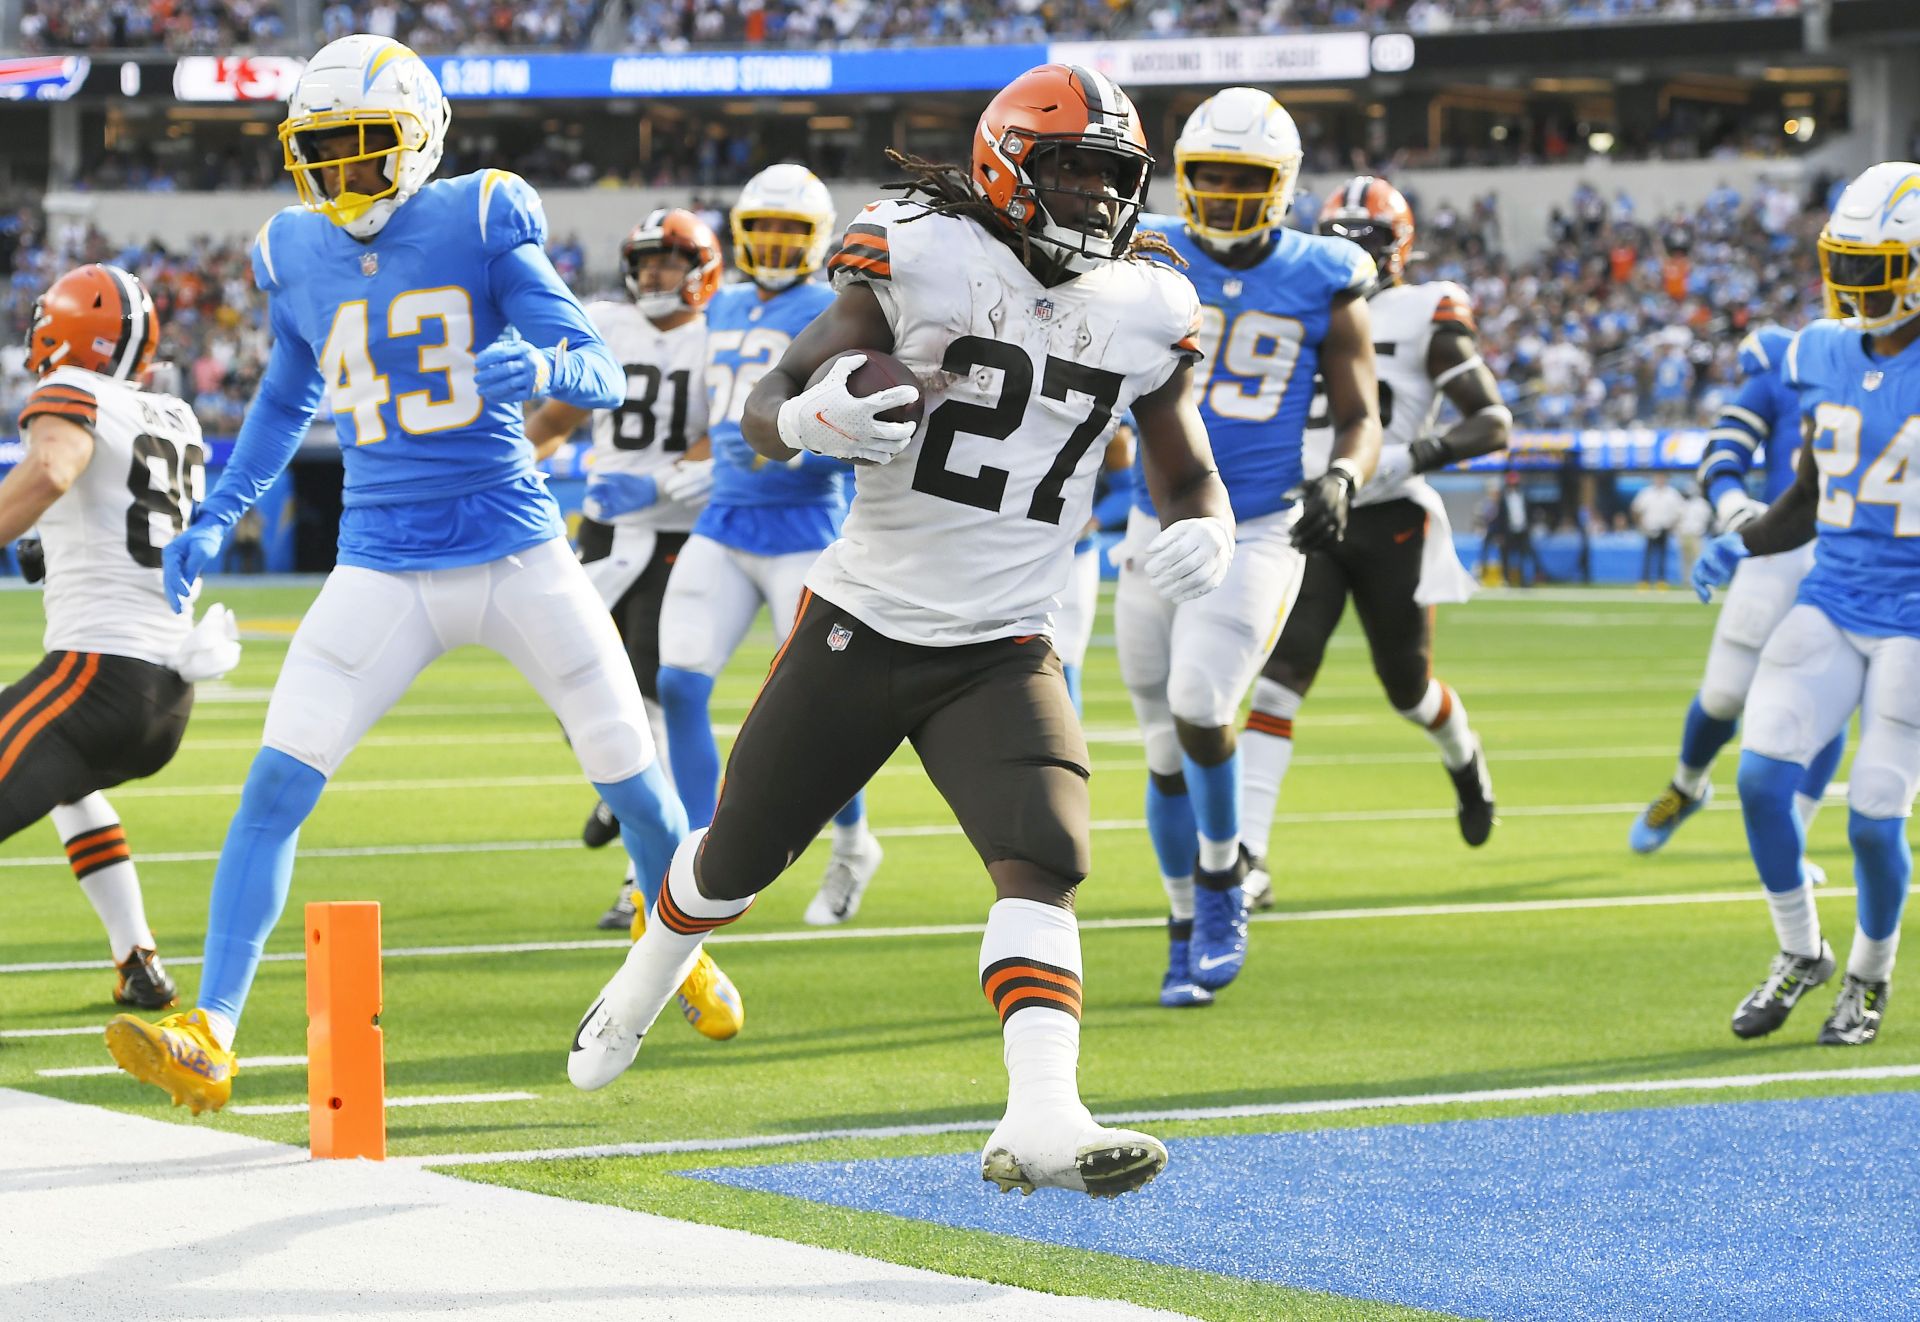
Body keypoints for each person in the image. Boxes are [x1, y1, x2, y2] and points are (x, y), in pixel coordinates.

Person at [567, 63, 1234, 1198]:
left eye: (1113, 181)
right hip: (865, 621)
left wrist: (1206, 531)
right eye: (1072, 174)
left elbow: (1188, 474)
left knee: (1048, 851)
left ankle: (1043, 1114)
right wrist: (810, 414)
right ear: (1009, 165)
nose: (1097, 203)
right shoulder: (921, 247)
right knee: (733, 856)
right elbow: (765, 403)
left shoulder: (1148, 304)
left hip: (1005, 637)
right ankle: (638, 986)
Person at [103, 35, 688, 1114]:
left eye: (363, 149)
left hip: (516, 547)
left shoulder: (479, 214)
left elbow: (600, 366)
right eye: (318, 153)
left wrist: (546, 364)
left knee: (633, 781)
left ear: (419, 141)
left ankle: (681, 950)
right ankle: (212, 1029)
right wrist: (219, 512)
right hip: (378, 556)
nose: (339, 176)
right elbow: (285, 396)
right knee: (274, 787)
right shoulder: (293, 247)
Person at [1117, 92, 1381, 1006]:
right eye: (1211, 177)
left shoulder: (1323, 272)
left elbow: (1359, 415)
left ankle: (1226, 879)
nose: (1225, 196)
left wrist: (1343, 476)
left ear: (1284, 186)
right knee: (1158, 745)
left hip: (1258, 524)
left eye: (1247, 179)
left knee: (1199, 702)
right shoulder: (1143, 246)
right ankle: (1182, 917)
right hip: (1151, 522)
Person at [1694, 161, 1920, 1047]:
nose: (1854, 286)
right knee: (1759, 778)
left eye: (1876, 267)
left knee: (1872, 818)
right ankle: (1801, 951)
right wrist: (1741, 539)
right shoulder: (1820, 350)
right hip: (1832, 597)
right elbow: (1805, 500)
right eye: (1845, 264)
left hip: (1916, 621)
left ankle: (1870, 972)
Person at [1240, 176, 1507, 911]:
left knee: (1409, 689)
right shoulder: (1298, 297)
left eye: (1371, 238)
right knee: (1280, 675)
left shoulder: (1428, 309)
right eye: (1343, 237)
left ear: (1401, 248)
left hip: (1389, 515)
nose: (1355, 250)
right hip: (1315, 512)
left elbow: (1493, 422)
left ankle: (1465, 758)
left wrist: (1408, 457)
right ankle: (1249, 858)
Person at [645, 163, 886, 931]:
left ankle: (851, 845)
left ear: (817, 240)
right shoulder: (724, 304)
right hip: (724, 519)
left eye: (791, 230)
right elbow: (717, 411)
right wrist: (690, 466)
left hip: (804, 528)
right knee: (679, 683)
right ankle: (693, 856)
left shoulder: (838, 307)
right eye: (764, 229)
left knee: (820, 712)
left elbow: (857, 424)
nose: (776, 244)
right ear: (742, 237)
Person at [523, 207, 743, 1040]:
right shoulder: (605, 325)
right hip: (605, 529)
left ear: (703, 268)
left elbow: (722, 436)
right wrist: (506, 466)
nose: (653, 276)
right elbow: (554, 422)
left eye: (669, 263)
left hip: (678, 534)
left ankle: (640, 879)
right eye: (645, 263)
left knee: (648, 698)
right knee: (568, 682)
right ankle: (615, 795)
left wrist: (655, 486)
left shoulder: (720, 336)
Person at [0, 263, 240, 1010]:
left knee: (56, 758)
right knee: (71, 788)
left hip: (98, 679)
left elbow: (52, 468)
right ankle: (138, 959)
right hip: (163, 698)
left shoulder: (70, 391)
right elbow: (114, 516)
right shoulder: (173, 415)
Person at [1629, 326, 1845, 859]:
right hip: (1778, 540)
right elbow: (1723, 450)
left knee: (1827, 700)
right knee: (1725, 694)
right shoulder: (1784, 368)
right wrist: (1736, 511)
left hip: (1853, 552)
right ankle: (1686, 787)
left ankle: (1795, 835)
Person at [1631, 472, 1687, 587]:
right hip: (1649, 528)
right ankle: (1644, 581)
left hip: (1664, 528)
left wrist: (1672, 525)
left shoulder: (1672, 493)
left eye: (1662, 478)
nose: (1660, 480)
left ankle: (1661, 581)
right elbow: (1636, 509)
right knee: (1648, 556)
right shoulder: (1646, 492)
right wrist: (1641, 525)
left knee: (1662, 556)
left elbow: (1681, 512)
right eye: (1658, 478)